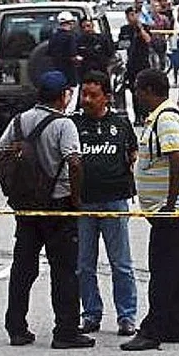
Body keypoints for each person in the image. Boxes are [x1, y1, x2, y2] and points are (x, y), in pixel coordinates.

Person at [0, 71, 93, 349]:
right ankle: (65, 331)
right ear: (63, 95)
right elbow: (74, 162)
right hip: (58, 204)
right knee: (64, 269)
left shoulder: (20, 121)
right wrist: (76, 199)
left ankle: (17, 328)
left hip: (27, 206)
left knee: (23, 268)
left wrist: (13, 189)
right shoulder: (64, 125)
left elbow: (0, 155)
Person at [121, 69, 179, 351]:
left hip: (173, 211)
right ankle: (176, 325)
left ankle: (152, 330)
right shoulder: (167, 115)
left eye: (139, 90)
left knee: (163, 268)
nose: (137, 96)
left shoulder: (165, 119)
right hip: (174, 209)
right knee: (177, 267)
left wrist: (168, 202)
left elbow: (177, 159)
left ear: (150, 90)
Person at [72, 71, 139, 337]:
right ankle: (91, 314)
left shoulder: (121, 124)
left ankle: (126, 316)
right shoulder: (73, 124)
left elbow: (132, 154)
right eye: (83, 94)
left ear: (107, 97)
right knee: (84, 264)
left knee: (121, 263)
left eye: (93, 95)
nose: (87, 100)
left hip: (115, 202)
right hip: (83, 204)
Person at [119, 7, 152, 125]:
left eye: (135, 14)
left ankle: (145, 115)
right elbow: (122, 45)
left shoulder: (145, 27)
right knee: (134, 91)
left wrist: (140, 28)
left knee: (145, 90)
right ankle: (137, 116)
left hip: (143, 64)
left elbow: (148, 40)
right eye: (130, 15)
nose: (133, 17)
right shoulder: (125, 29)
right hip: (131, 65)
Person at [48, 11, 81, 110]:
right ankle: (67, 112)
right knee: (72, 93)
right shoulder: (71, 36)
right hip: (69, 71)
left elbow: (50, 52)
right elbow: (73, 55)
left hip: (56, 69)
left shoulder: (54, 36)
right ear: (70, 23)